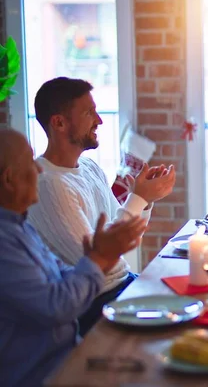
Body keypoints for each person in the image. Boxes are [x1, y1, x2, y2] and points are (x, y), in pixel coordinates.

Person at [28, 77, 176, 335]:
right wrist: (137, 199)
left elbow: (126, 239)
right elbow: (99, 264)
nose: (99, 120)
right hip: (96, 304)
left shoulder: (88, 167)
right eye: (89, 112)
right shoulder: (49, 184)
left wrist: (145, 199)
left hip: (122, 286)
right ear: (59, 123)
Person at [0, 128, 147, 387]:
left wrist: (98, 255)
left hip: (69, 354)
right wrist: (99, 257)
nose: (39, 170)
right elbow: (57, 307)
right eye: (30, 163)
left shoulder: (21, 227)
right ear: (9, 179)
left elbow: (65, 275)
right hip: (43, 375)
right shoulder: (4, 243)